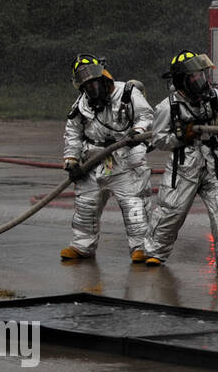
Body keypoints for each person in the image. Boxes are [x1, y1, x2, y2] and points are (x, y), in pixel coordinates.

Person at [142, 50, 218, 270]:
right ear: (183, 80)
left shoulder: (212, 95)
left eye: (201, 75)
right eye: (194, 77)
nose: (200, 80)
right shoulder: (167, 107)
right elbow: (159, 139)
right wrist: (183, 136)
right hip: (183, 166)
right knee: (171, 210)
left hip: (213, 163)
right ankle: (154, 252)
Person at [61, 55, 154, 262]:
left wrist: (137, 132)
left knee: (134, 206)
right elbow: (73, 132)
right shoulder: (82, 103)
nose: (92, 88)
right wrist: (72, 160)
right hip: (93, 160)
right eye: (87, 85)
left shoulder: (127, 92)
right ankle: (81, 246)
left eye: (94, 83)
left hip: (125, 158)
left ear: (102, 77)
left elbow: (146, 115)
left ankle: (141, 248)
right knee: (86, 204)